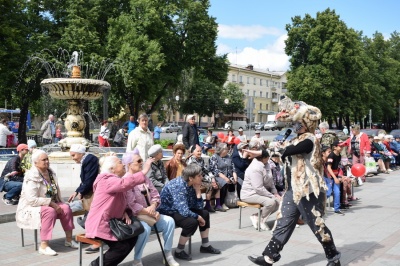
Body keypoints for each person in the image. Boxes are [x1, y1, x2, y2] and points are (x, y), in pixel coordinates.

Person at [248, 96, 341, 266]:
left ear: (306, 124)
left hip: (308, 191)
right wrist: (264, 151)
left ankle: (333, 257)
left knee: (316, 224)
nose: (295, 126)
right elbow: (281, 152)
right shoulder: (295, 138)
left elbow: (296, 150)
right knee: (284, 221)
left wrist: (282, 149)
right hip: (293, 190)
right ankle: (269, 257)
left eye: (298, 123)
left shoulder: (310, 139)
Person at [84, 155, 151, 266]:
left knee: (132, 236)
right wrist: (144, 171)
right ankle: (96, 264)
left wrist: (124, 211)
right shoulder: (107, 179)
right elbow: (124, 184)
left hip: (112, 223)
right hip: (100, 224)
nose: (123, 164)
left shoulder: (113, 180)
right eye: (120, 162)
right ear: (112, 169)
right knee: (121, 247)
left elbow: (120, 198)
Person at [16, 150, 79, 256]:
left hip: (50, 202)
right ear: (35, 163)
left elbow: (54, 192)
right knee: (49, 212)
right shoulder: (31, 177)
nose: (46, 161)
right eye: (43, 160)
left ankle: (69, 240)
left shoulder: (50, 172)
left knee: (66, 209)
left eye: (47, 159)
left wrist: (59, 203)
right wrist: (51, 204)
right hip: (31, 206)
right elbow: (31, 199)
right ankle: (44, 246)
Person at [123, 151, 179, 266]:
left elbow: (155, 195)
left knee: (169, 221)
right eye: (138, 161)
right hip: (135, 217)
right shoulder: (126, 180)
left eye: (141, 160)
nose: (141, 163)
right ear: (129, 164)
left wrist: (153, 207)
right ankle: (137, 259)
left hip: (150, 213)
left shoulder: (144, 178)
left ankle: (167, 254)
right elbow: (131, 204)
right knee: (145, 230)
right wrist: (149, 211)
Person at [158, 164, 222, 261]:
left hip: (180, 208)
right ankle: (179, 251)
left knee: (204, 213)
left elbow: (199, 207)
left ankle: (205, 245)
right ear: (191, 178)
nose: (202, 177)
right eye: (199, 176)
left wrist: (197, 191)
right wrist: (197, 217)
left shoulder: (191, 184)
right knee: (191, 222)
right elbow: (183, 211)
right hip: (168, 211)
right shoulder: (178, 185)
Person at [241, 149, 281, 231]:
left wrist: (275, 193)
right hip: (249, 194)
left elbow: (271, 181)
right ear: (264, 158)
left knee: (278, 201)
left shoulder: (266, 164)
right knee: (271, 202)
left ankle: (256, 216)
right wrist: (271, 196)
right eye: (268, 157)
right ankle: (261, 220)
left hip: (260, 192)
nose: (269, 158)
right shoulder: (255, 168)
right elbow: (258, 188)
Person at [186, 144, 219, 212]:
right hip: (194, 180)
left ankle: (217, 204)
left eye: (200, 151)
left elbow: (206, 170)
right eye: (198, 151)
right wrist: (211, 180)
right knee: (210, 185)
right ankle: (207, 205)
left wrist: (212, 178)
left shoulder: (200, 159)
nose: (200, 153)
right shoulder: (192, 161)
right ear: (193, 152)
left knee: (217, 183)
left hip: (201, 178)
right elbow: (198, 174)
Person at [209, 142, 237, 211]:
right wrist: (225, 178)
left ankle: (234, 201)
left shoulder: (228, 157)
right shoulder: (214, 157)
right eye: (226, 149)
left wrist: (235, 176)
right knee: (224, 182)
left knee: (238, 181)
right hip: (218, 176)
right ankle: (221, 203)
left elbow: (233, 168)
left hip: (229, 175)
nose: (227, 150)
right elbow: (215, 170)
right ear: (221, 150)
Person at [325, 141, 345, 215]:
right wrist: (335, 178)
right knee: (328, 192)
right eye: (340, 146)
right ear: (335, 147)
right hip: (329, 176)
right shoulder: (331, 155)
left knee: (337, 192)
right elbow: (328, 167)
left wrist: (339, 176)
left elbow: (338, 167)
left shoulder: (339, 155)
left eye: (342, 146)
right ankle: (319, 206)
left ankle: (337, 209)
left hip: (336, 176)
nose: (341, 148)